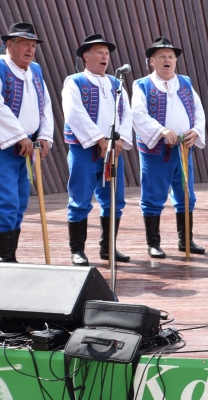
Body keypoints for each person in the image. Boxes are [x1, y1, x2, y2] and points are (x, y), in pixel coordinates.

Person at [0, 22, 54, 262]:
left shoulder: (35, 70)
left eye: (33, 45)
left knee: (19, 201)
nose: (30, 50)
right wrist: (19, 136)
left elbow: (44, 104)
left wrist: (44, 136)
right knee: (6, 199)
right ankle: (4, 259)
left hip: (26, 147)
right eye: (24, 44)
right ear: (9, 44)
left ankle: (10, 256)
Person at [62, 34, 134, 266]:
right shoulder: (74, 82)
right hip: (85, 150)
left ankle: (108, 247)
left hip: (113, 151)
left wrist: (120, 139)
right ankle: (77, 250)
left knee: (114, 199)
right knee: (80, 199)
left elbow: (126, 113)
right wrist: (99, 140)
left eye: (106, 53)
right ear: (86, 56)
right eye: (99, 52)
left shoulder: (116, 83)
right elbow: (74, 113)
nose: (105, 56)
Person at [132, 37, 207, 258]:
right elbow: (137, 114)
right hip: (156, 152)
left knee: (186, 194)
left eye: (171, 57)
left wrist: (197, 131)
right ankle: (153, 243)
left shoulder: (185, 82)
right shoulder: (142, 85)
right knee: (154, 196)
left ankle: (186, 240)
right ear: (151, 62)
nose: (167, 60)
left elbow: (199, 111)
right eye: (162, 56)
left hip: (183, 150)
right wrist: (161, 131)